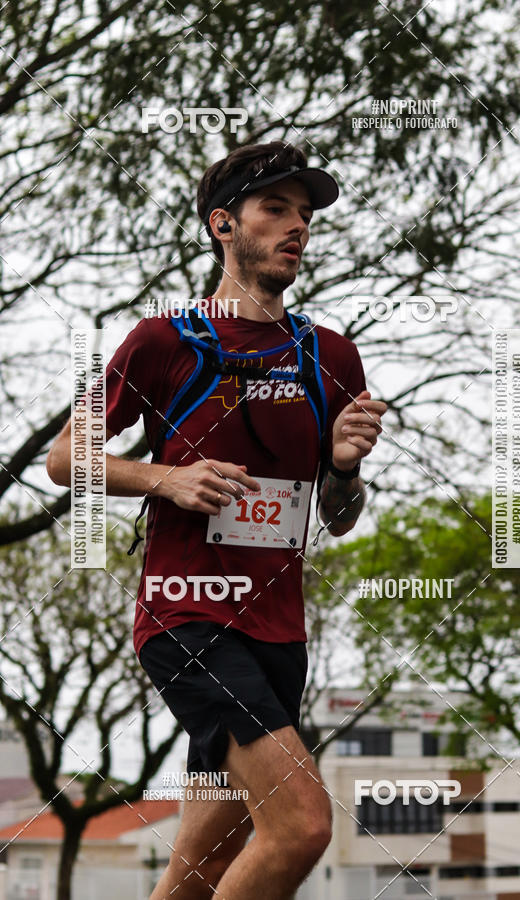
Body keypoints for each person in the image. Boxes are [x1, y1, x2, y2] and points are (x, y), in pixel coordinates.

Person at [46, 139, 388, 899]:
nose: (297, 227)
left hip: (280, 632)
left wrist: (343, 467)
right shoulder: (163, 342)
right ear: (223, 225)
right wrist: (164, 476)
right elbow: (67, 458)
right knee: (301, 825)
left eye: (304, 215)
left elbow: (339, 520)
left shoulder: (330, 356)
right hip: (188, 621)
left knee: (196, 872)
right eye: (276, 210)